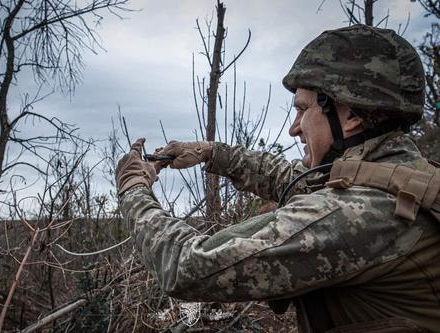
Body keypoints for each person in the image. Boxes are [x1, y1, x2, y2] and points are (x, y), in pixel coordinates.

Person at [115, 24, 440, 332]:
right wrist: (211, 153)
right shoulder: (404, 177)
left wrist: (133, 188)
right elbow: (297, 180)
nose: (294, 127)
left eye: (302, 109)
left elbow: (187, 266)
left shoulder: (361, 214)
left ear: (351, 115)